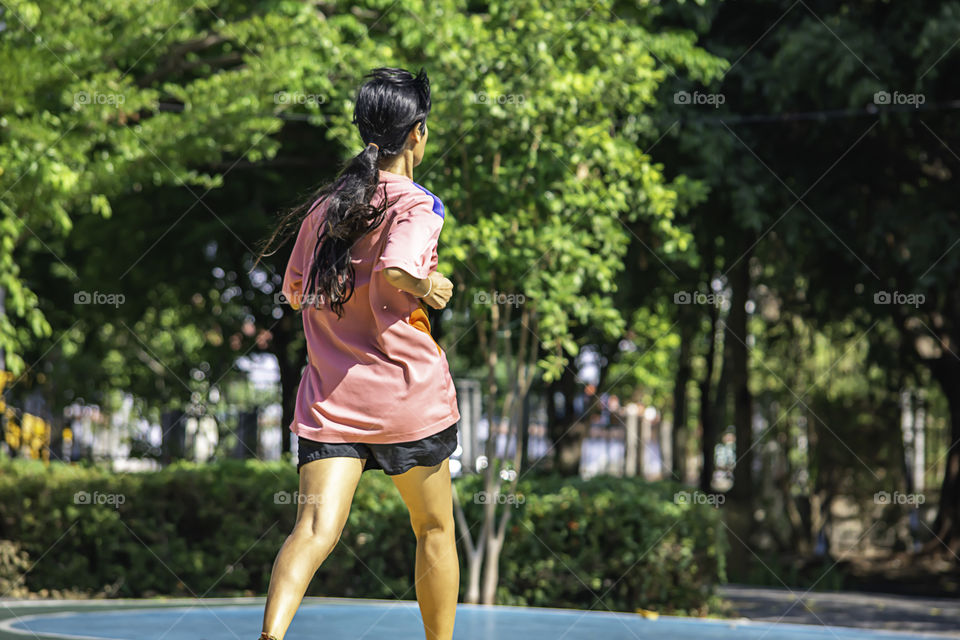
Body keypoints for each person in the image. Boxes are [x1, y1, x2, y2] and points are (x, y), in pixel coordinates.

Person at [254, 67, 460, 640]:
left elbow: (294, 293)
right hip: (407, 400)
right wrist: (429, 287)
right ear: (417, 133)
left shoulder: (326, 208)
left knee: (312, 530)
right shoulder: (419, 205)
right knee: (434, 529)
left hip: (331, 403)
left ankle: (270, 637)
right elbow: (398, 266)